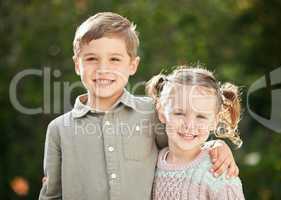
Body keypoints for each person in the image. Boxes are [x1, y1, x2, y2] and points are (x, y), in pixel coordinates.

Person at [39, 12, 239, 200]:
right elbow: (52, 195)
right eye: (92, 59)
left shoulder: (152, 113)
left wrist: (216, 145)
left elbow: (184, 145)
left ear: (132, 65)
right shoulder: (58, 130)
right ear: (77, 64)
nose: (103, 69)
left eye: (115, 59)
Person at [147, 66, 245, 199]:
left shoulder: (218, 172)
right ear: (162, 112)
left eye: (201, 116)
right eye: (179, 113)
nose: (189, 125)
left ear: (214, 121)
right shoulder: (153, 161)